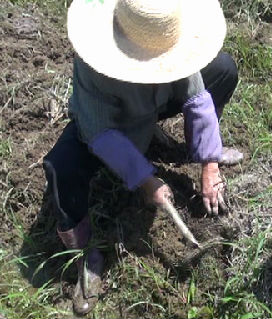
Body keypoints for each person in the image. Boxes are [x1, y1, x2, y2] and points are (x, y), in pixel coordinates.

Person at [42, 0, 242, 314]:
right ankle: (87, 255)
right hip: (111, 122)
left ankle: (192, 146)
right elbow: (102, 134)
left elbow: (196, 95)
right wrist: (146, 180)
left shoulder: (170, 37)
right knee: (60, 167)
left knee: (224, 69)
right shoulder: (97, 60)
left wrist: (209, 161)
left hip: (153, 105)